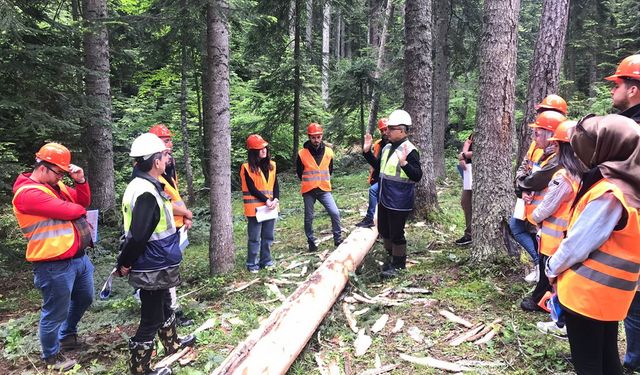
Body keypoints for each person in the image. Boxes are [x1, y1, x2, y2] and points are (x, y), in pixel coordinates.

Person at [546, 114, 640, 375]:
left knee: (589, 365)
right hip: (613, 296)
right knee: (608, 359)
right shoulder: (633, 187)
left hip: (586, 295)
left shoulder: (609, 193)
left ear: (609, 147)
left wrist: (551, 268)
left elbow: (578, 244)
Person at [116, 133, 195, 375]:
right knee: (150, 318)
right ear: (155, 161)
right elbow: (138, 236)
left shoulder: (143, 185)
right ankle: (140, 370)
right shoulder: (146, 192)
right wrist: (125, 262)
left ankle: (172, 344)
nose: (167, 159)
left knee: (164, 304)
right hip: (151, 264)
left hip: (157, 262)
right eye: (164, 156)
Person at [12, 143, 94, 371]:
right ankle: (51, 356)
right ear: (43, 167)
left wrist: (79, 180)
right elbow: (73, 210)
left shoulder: (56, 186)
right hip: (52, 264)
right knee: (54, 312)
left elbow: (83, 202)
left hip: (77, 258)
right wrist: (75, 207)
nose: (61, 177)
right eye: (59, 172)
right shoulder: (27, 194)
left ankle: (67, 336)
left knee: (85, 298)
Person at [523, 120, 585, 336]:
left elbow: (546, 208)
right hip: (563, 236)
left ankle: (561, 323)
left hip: (553, 239)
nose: (554, 148)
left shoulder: (563, 176)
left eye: (557, 145)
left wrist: (533, 213)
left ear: (563, 147)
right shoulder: (581, 174)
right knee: (559, 280)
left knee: (555, 281)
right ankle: (560, 321)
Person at [604, 54, 640, 372]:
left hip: (630, 225)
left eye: (617, 83)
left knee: (634, 299)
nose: (612, 90)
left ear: (633, 89)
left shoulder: (632, 129)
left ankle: (632, 361)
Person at [363, 109, 422, 278]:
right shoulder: (387, 147)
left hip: (400, 200)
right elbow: (380, 168)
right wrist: (367, 152)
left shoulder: (410, 150)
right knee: (384, 230)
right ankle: (391, 257)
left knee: (397, 233)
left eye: (391, 128)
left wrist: (404, 164)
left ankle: (399, 264)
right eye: (387, 128)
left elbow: (417, 175)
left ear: (402, 131)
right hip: (385, 197)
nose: (386, 131)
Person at [511, 110, 565, 288]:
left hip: (544, 212)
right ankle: (539, 267)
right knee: (516, 228)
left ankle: (544, 280)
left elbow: (537, 179)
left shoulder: (557, 157)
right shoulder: (536, 147)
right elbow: (524, 167)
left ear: (550, 135)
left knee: (544, 245)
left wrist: (524, 184)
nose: (534, 137)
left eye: (537, 133)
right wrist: (522, 186)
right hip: (530, 204)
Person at [149, 123, 194, 327]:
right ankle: (169, 314)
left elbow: (174, 194)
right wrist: (185, 212)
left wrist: (185, 216)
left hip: (176, 224)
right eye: (166, 140)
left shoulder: (169, 164)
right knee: (166, 272)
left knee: (172, 270)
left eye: (169, 140)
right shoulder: (151, 170)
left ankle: (169, 311)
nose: (171, 143)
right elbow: (163, 200)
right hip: (164, 227)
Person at [297, 123, 342, 251]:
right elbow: (299, 172)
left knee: (335, 213)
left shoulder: (329, 152)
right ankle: (311, 242)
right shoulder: (302, 154)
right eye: (313, 137)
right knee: (309, 217)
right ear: (309, 137)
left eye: (318, 137)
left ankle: (338, 239)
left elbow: (330, 169)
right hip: (309, 190)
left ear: (321, 136)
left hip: (324, 189)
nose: (316, 140)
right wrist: (310, 182)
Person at [240, 134, 279, 273]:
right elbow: (252, 188)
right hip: (255, 209)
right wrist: (266, 200)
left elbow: (275, 185)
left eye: (265, 147)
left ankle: (266, 261)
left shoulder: (272, 165)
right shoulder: (246, 168)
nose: (264, 150)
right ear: (253, 151)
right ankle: (252, 263)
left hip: (270, 207)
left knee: (268, 236)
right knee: (255, 238)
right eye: (260, 148)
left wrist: (275, 199)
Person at [356, 118, 389, 228]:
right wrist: (366, 152)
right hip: (380, 177)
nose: (384, 132)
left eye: (386, 129)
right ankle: (375, 220)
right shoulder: (378, 144)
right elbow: (377, 165)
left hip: (392, 179)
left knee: (374, 191)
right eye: (382, 130)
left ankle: (371, 218)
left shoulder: (394, 144)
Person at [454, 133, 473, 246]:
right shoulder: (476, 131)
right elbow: (468, 142)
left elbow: (485, 151)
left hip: (483, 171)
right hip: (469, 171)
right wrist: (463, 156)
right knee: (466, 201)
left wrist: (465, 155)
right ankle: (469, 234)